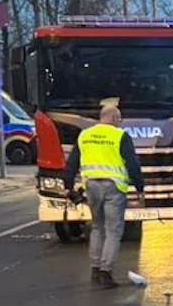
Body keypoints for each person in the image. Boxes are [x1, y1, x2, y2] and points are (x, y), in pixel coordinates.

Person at [62, 101, 145, 287]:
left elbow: (72, 162)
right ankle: (106, 272)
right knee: (113, 231)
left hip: (91, 186)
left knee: (97, 227)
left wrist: (68, 186)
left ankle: (95, 268)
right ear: (114, 118)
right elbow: (132, 164)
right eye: (119, 119)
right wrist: (140, 187)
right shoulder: (120, 136)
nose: (120, 123)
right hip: (114, 187)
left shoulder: (85, 135)